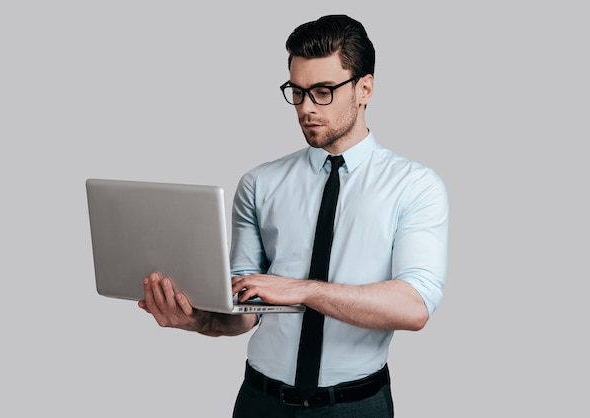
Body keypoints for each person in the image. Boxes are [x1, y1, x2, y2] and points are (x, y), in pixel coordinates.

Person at [138, 14, 448, 418]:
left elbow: (414, 306)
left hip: (356, 406)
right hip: (260, 401)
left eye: (322, 91)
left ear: (364, 89)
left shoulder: (415, 185)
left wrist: (303, 290)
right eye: (297, 92)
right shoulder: (260, 183)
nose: (306, 108)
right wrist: (199, 320)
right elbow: (246, 312)